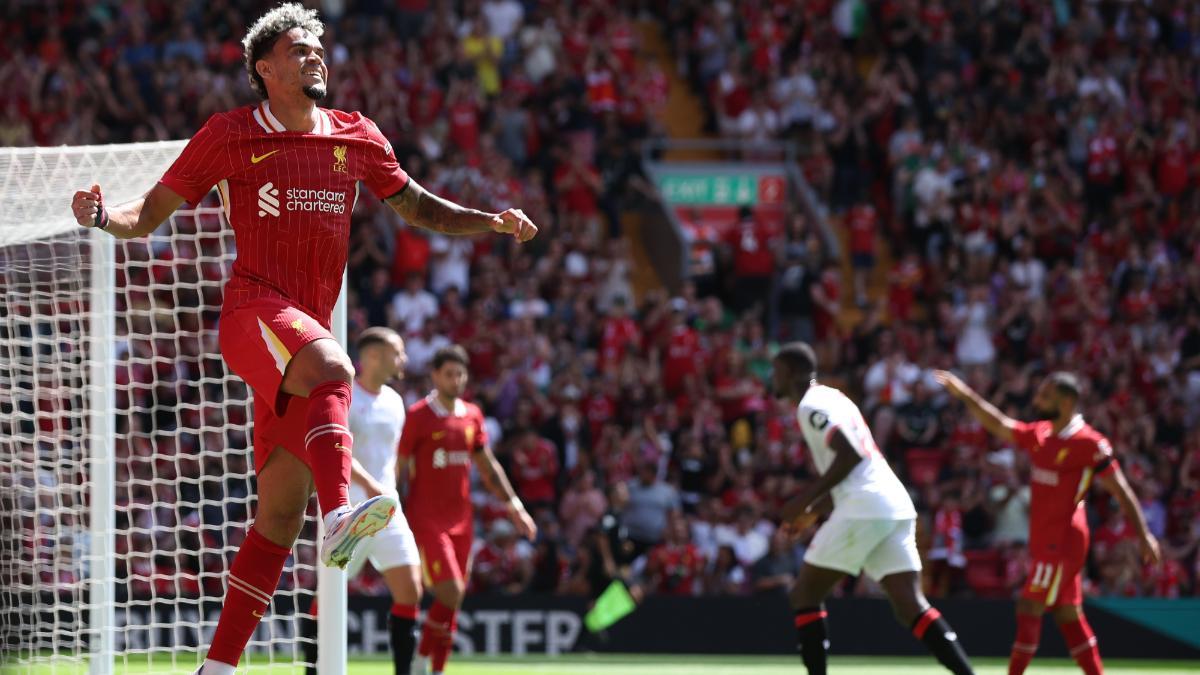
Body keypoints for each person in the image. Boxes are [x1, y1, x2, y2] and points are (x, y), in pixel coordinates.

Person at [67, 5, 538, 674]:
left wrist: (488, 220)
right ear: (265, 68)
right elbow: (149, 213)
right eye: (298, 48)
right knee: (335, 367)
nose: (316, 55)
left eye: (319, 46)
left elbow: (416, 203)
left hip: (298, 341)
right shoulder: (229, 134)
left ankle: (218, 666)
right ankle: (342, 510)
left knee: (280, 519)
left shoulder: (357, 135)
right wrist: (102, 217)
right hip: (254, 311)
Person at [934, 370, 1161, 675]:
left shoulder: (1089, 443)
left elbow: (1121, 490)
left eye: (1045, 395)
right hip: (1045, 541)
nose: (1037, 400)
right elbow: (999, 424)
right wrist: (964, 394)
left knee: (1028, 607)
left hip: (1063, 542)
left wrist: (1143, 533)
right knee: (1068, 614)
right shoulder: (1041, 434)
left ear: (1066, 403)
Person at [772, 343, 973, 675]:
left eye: (777, 372)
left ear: (791, 373)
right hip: (892, 502)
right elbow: (857, 467)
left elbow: (850, 456)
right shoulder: (835, 397)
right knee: (911, 606)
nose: (773, 380)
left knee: (804, 593)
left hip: (864, 507)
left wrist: (802, 500)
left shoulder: (810, 405)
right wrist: (816, 509)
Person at [398, 345, 536, 675]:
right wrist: (393, 508)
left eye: (460, 374)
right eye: (449, 373)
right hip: (426, 518)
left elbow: (488, 465)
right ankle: (420, 658)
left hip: (462, 519)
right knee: (452, 591)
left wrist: (514, 506)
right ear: (434, 375)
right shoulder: (418, 415)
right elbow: (399, 467)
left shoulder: (472, 414)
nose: (456, 380)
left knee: (453, 601)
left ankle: (436, 668)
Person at [304, 327, 422, 675]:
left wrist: (388, 490)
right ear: (372, 355)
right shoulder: (347, 394)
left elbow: (391, 457)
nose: (403, 358)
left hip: (388, 507)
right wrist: (371, 486)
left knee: (411, 590)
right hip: (348, 508)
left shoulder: (396, 401)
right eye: (397, 351)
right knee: (325, 599)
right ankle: (311, 670)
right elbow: (339, 447)